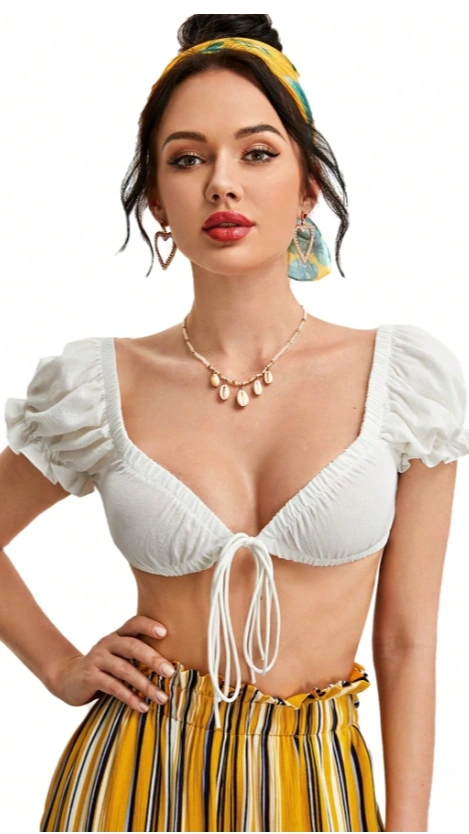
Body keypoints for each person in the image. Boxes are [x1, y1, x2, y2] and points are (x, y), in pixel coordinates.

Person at [1, 14, 468, 834]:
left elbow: (405, 643)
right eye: (187, 159)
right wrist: (59, 665)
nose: (221, 184)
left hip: (315, 785)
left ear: (307, 185)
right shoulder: (100, 383)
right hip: (131, 784)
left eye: (256, 153)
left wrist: (410, 828)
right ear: (156, 198)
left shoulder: (401, 382)